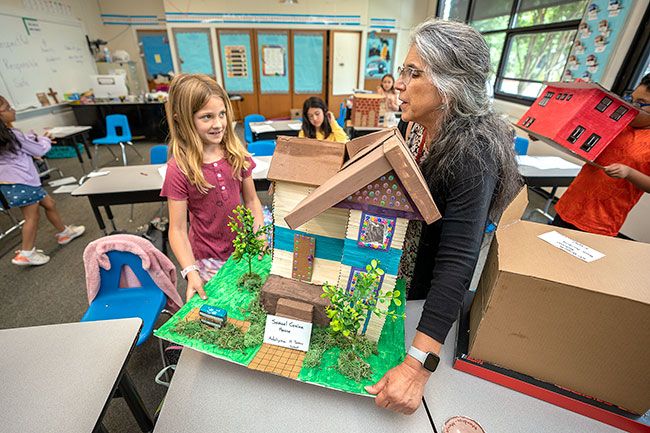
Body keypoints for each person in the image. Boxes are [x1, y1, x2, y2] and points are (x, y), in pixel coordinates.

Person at [364, 19, 521, 414]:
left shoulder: (474, 153)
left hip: (425, 299)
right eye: (403, 70)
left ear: (451, 84)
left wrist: (418, 368)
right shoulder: (414, 123)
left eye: (413, 73)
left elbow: (457, 264)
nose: (399, 83)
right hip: (397, 273)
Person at [161, 74, 265, 302]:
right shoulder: (179, 169)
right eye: (206, 117)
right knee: (220, 307)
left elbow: (251, 201)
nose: (218, 124)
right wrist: (190, 272)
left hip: (243, 251)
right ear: (182, 120)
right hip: (208, 258)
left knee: (247, 303)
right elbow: (177, 230)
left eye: (222, 114)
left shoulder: (237, 153)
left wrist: (258, 234)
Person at [552, 74, 650, 236]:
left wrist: (629, 173)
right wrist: (549, 134)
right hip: (571, 205)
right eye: (630, 99)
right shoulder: (616, 124)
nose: (632, 106)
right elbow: (577, 137)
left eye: (641, 103)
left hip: (602, 220)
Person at [0, 96, 85, 266]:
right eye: (8, 108)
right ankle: (26, 252)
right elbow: (40, 149)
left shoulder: (7, 136)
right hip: (23, 181)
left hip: (10, 182)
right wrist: (45, 139)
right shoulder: (12, 135)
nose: (13, 110)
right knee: (31, 216)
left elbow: (21, 148)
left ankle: (64, 232)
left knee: (49, 203)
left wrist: (32, 139)